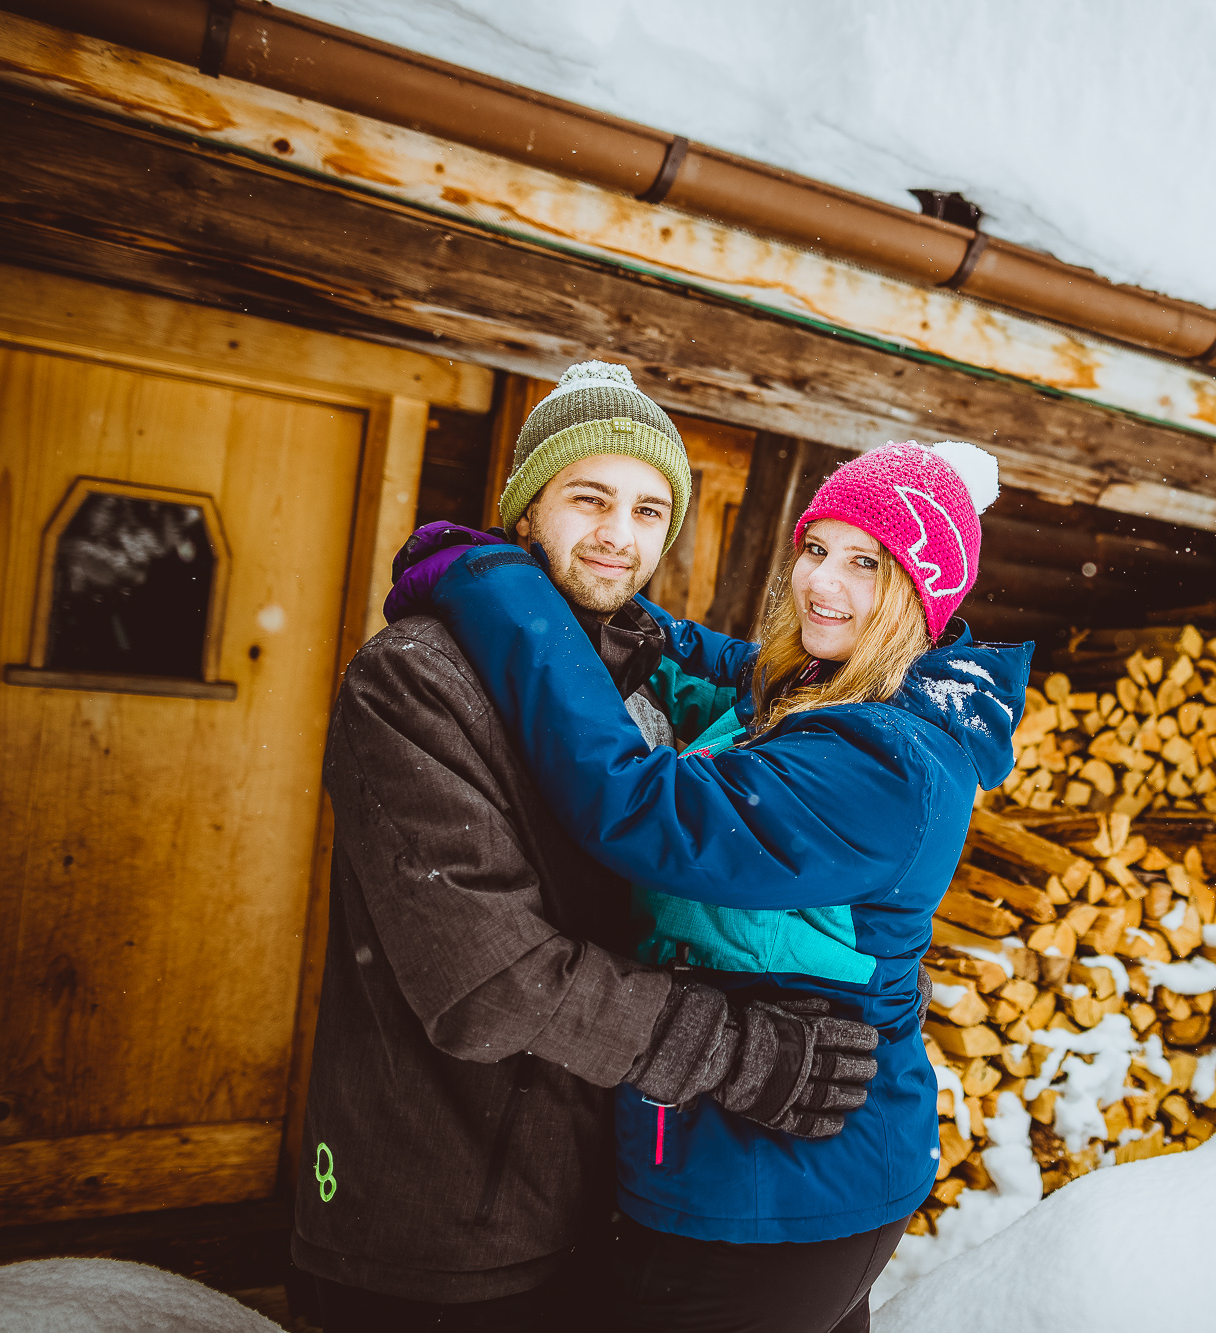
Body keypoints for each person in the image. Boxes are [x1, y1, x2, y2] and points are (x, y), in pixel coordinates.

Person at [292, 362, 880, 1332]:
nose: (620, 534)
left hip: (589, 1198)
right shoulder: (414, 680)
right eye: (590, 497)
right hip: (436, 1226)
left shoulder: (634, 693)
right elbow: (489, 979)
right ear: (527, 508)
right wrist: (743, 1054)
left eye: (649, 511)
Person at [406, 438, 1032, 1332]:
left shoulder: (885, 761)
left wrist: (501, 592)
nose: (823, 583)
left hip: (781, 1184)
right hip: (764, 1162)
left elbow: (637, 805)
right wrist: (623, 617)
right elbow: (734, 675)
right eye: (816, 548)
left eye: (866, 563)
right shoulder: (838, 689)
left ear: (919, 596)